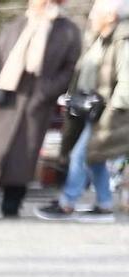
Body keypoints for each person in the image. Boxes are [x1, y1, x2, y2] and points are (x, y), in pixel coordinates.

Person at [0, 0, 80, 217]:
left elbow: (69, 69)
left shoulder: (67, 31)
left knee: (23, 155)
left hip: (35, 102)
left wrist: (45, 92)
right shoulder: (17, 24)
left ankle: (12, 201)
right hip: (4, 96)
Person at [35, 0, 124, 219]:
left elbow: (126, 82)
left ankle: (67, 202)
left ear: (111, 16)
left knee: (80, 155)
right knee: (95, 157)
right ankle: (104, 205)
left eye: (96, 12)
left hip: (111, 114)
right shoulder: (99, 39)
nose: (91, 16)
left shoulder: (123, 40)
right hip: (93, 110)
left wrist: (112, 111)